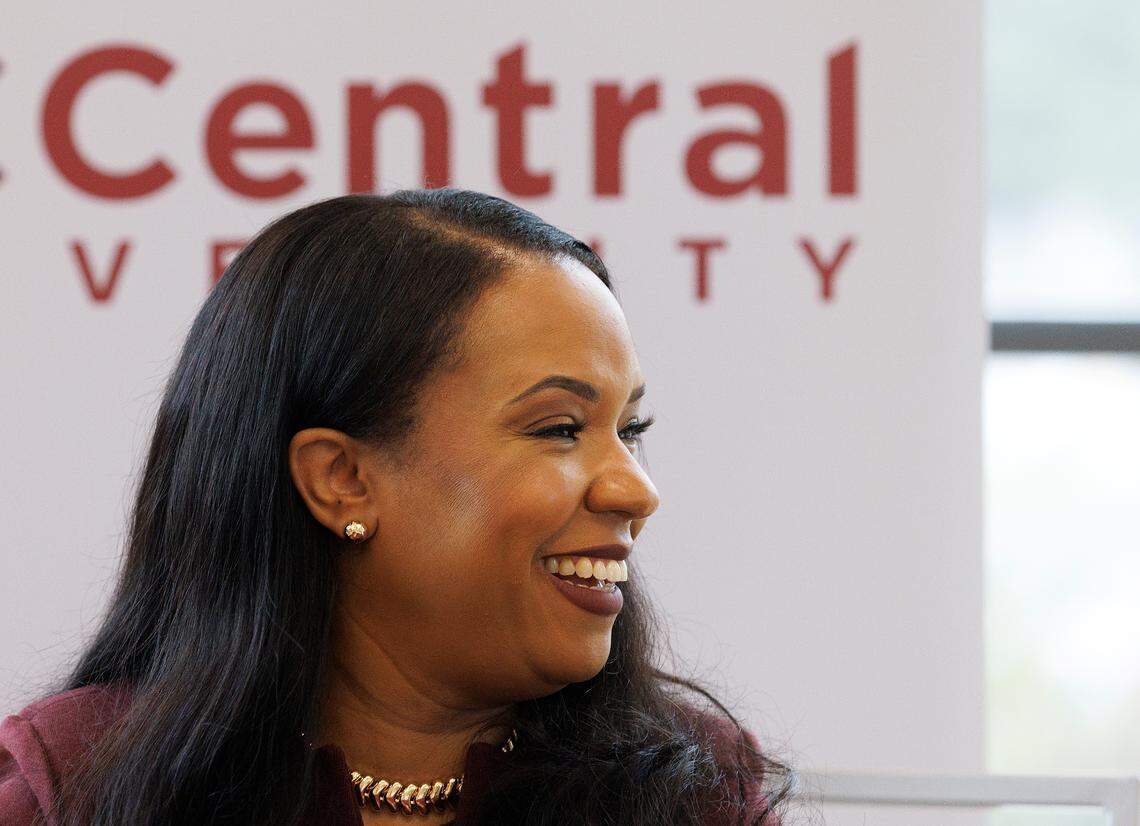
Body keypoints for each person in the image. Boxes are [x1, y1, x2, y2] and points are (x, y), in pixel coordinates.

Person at [0, 189, 792, 825]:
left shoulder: (699, 794)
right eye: (559, 428)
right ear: (340, 477)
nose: (635, 489)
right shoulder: (74, 785)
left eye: (630, 430)